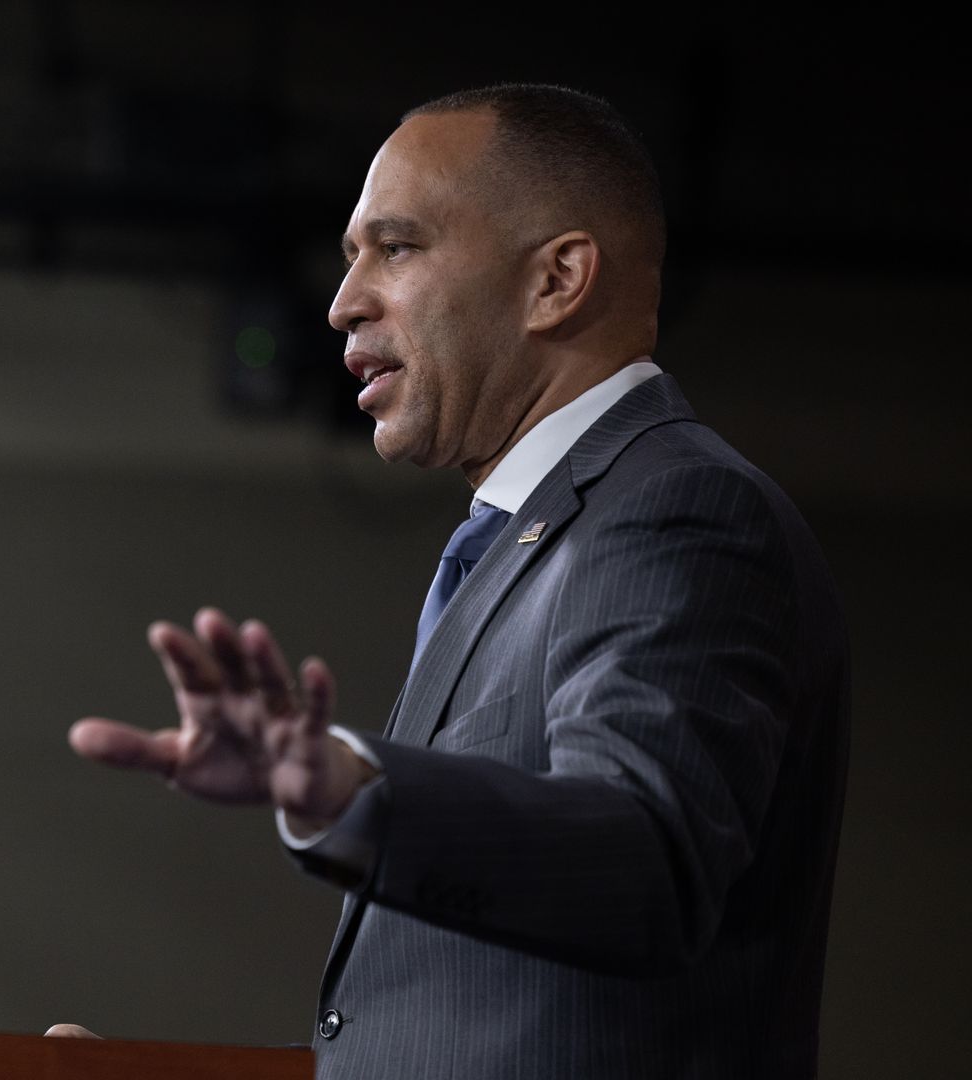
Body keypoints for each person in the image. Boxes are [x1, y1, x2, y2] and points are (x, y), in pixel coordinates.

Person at [55, 84, 849, 1079]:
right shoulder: (523, 540)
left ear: (557, 279)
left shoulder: (674, 509)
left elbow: (645, 863)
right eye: (351, 257)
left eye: (396, 248)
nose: (343, 300)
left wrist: (359, 792)